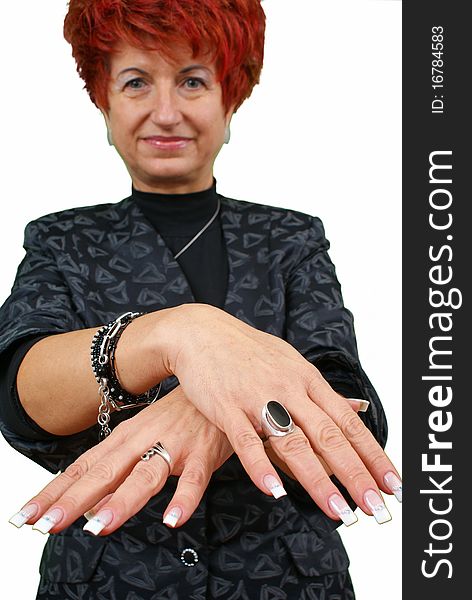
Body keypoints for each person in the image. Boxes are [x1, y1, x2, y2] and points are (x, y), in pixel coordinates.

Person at [0, 1, 402, 598]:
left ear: (230, 95)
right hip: (107, 580)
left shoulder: (291, 238)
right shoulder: (61, 239)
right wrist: (181, 333)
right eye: (136, 82)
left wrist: (207, 407)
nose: (167, 112)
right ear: (102, 98)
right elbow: (22, 398)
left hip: (285, 578)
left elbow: (345, 405)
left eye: (192, 80)